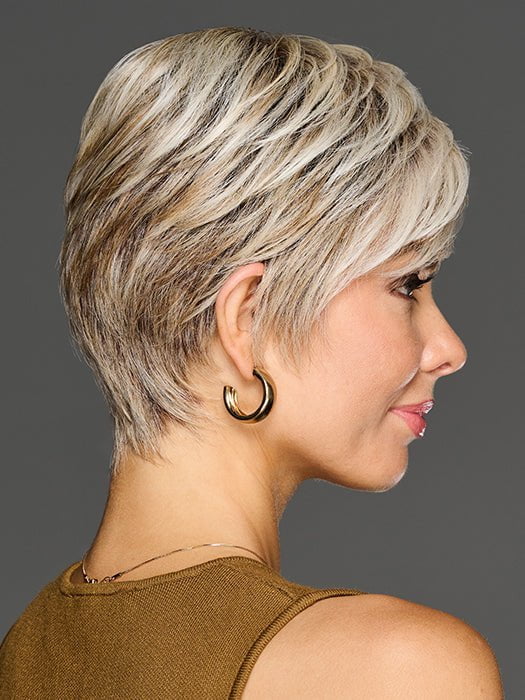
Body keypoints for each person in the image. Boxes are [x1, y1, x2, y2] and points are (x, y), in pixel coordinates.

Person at [0, 26, 504, 698]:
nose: (449, 350)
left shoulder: (25, 650)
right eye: (407, 286)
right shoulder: (398, 670)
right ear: (247, 319)